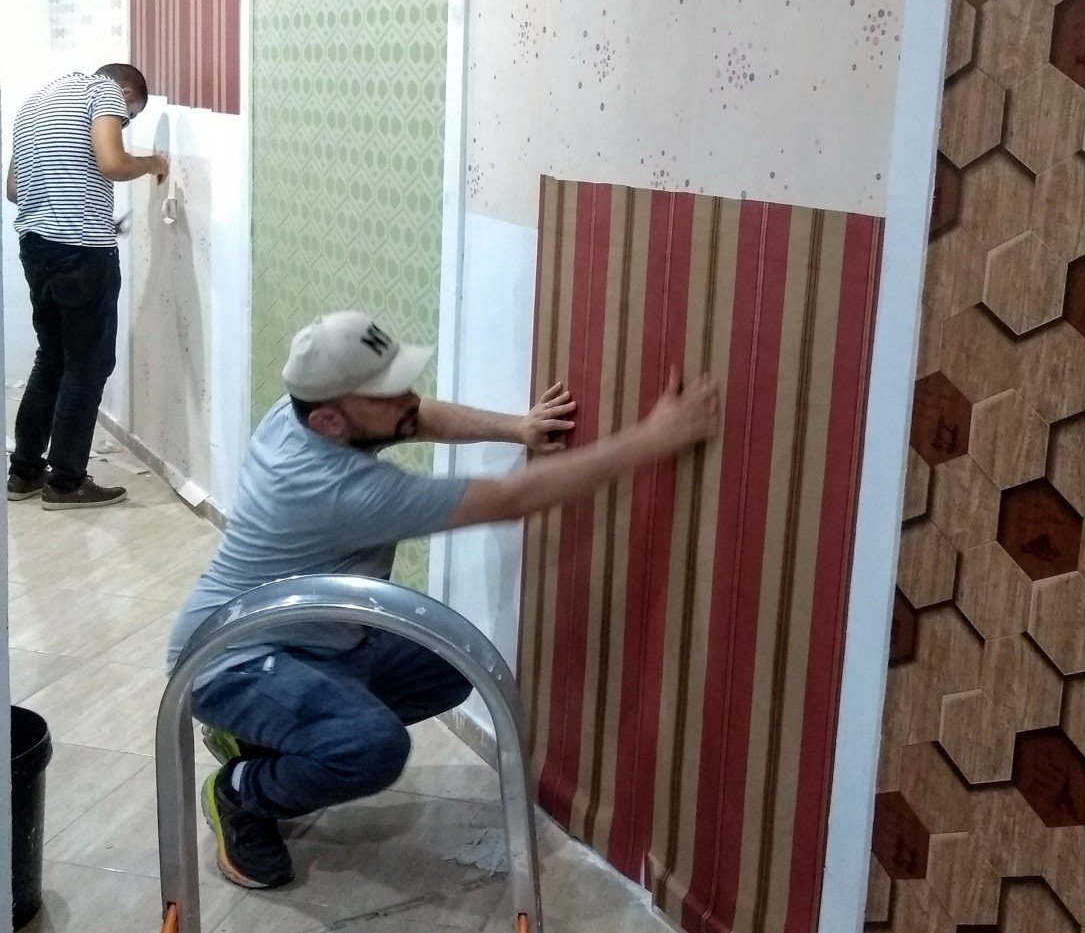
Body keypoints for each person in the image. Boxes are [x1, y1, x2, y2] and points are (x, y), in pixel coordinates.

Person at [168, 309, 720, 890]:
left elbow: (418, 416)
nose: (409, 398)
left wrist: (518, 428)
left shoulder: (302, 411)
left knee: (453, 663)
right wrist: (652, 439)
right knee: (372, 749)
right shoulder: (337, 490)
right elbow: (509, 498)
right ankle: (240, 794)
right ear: (331, 420)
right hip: (229, 660)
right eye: (387, 395)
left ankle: (258, 737)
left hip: (309, 638)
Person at [6, 63, 168, 508]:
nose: (123, 122)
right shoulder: (106, 92)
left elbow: (14, 190)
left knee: (52, 358)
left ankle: (24, 473)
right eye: (129, 118)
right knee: (88, 364)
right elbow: (112, 163)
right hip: (82, 251)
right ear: (128, 93)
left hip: (36, 245)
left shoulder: (34, 101)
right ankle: (67, 483)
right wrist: (153, 163)